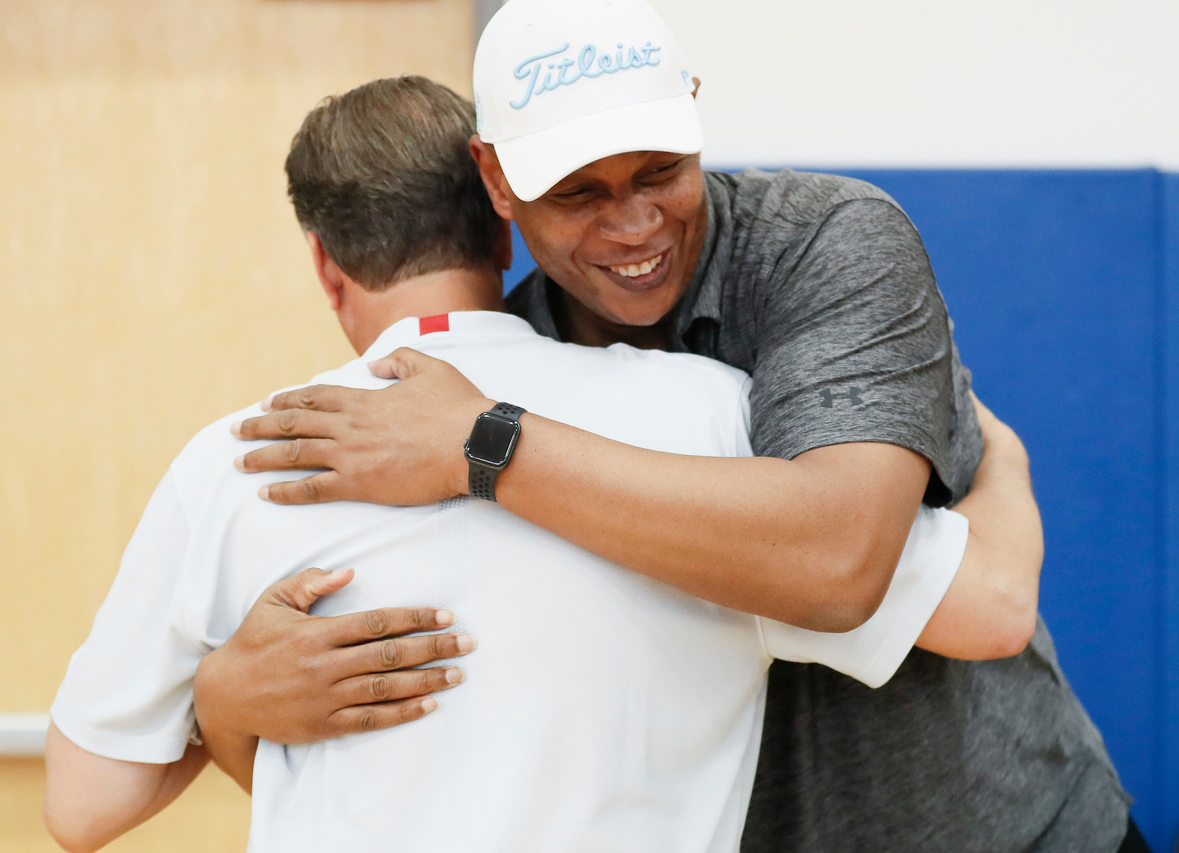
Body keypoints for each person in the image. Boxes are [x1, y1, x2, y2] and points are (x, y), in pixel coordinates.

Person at [203, 0, 1143, 850]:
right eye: (578, 193)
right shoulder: (488, 371)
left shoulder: (826, 244)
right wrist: (226, 701)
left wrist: (482, 445)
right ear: (496, 180)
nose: (633, 224)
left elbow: (839, 565)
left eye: (661, 170)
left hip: (1008, 827)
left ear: (696, 112)